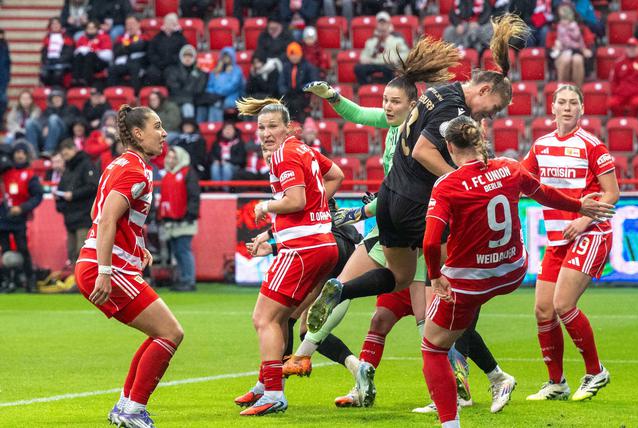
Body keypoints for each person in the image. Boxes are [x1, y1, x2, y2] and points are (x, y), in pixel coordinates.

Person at [301, 38, 518, 413]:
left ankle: (344, 289)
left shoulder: (438, 93)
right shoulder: (453, 108)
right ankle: (478, 383)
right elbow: (423, 151)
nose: (490, 116)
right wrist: (461, 182)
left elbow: (405, 139)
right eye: (494, 108)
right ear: (484, 90)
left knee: (400, 279)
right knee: (449, 300)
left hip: (390, 200)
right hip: (420, 207)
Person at [422, 115, 616, 428]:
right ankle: (501, 376)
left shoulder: (447, 185)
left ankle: (450, 423)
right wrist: (580, 206)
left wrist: (434, 276)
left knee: (432, 347)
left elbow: (431, 242)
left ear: (450, 147)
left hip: (471, 280)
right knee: (467, 321)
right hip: (512, 270)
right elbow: (543, 192)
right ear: (480, 140)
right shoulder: (510, 167)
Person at [231, 97, 344, 416]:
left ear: (288, 128)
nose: (266, 133)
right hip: (322, 244)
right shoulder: (304, 149)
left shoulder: (284, 154)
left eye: (272, 127)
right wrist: (317, 207)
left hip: (302, 249)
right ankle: (265, 384)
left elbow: (295, 201)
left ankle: (273, 393)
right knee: (280, 318)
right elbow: (336, 175)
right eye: (261, 128)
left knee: (263, 318)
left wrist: (264, 206)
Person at [75, 104, 183, 428]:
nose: (164, 133)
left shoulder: (120, 164)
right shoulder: (135, 170)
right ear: (138, 133)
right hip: (107, 266)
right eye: (157, 126)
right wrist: (105, 271)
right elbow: (107, 219)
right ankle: (133, 410)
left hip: (105, 262)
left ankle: (125, 406)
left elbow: (108, 216)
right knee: (170, 333)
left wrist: (138, 246)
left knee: (159, 333)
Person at [521, 84, 619, 403]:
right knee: (543, 310)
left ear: (581, 109)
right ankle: (556, 383)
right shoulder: (541, 146)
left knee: (563, 304)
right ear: (552, 108)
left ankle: (595, 371)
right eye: (561, 102)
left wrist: (583, 220)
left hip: (591, 232)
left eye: (572, 103)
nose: (566, 107)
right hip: (558, 237)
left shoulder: (592, 146)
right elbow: (520, 180)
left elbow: (612, 193)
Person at [0, 142, 44, 292]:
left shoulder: (30, 175)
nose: (19, 155)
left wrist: (22, 208)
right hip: (3, 217)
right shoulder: (5, 171)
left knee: (23, 249)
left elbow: (38, 196)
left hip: (19, 219)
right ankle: (9, 281)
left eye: (22, 152)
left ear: (26, 155)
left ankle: (29, 280)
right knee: (5, 250)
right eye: (17, 152)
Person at [158, 146, 200, 292]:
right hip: (172, 220)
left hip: (185, 220)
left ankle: (188, 280)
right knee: (177, 251)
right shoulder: (168, 175)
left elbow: (194, 195)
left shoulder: (188, 173)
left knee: (183, 250)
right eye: (169, 157)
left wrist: (190, 214)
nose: (171, 160)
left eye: (174, 158)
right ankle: (183, 279)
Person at [55, 139, 99, 266]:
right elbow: (62, 188)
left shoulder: (86, 165)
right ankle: (76, 277)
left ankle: (85, 277)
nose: (65, 157)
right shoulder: (68, 169)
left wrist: (73, 195)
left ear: (74, 149)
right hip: (70, 218)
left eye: (66, 153)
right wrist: (59, 202)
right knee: (72, 251)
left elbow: (92, 186)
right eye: (63, 155)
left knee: (83, 250)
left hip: (83, 216)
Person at [354, 11, 410, 85]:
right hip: (374, 63)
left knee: (390, 68)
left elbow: (406, 54)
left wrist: (396, 58)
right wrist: (364, 59)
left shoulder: (397, 40)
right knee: (358, 68)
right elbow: (363, 55)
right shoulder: (371, 41)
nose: (382, 25)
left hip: (388, 64)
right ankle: (367, 87)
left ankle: (388, 87)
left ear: (389, 25)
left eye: (384, 23)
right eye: (380, 23)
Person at [549, 3, 595, 88]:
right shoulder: (554, 29)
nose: (564, 19)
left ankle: (577, 91)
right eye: (562, 16)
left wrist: (586, 50)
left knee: (577, 60)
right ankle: (562, 90)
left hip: (578, 53)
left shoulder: (581, 28)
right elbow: (549, 49)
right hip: (560, 54)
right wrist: (554, 48)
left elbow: (590, 45)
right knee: (566, 59)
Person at [28, 89, 81, 155]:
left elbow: (70, 121)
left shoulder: (71, 108)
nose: (56, 99)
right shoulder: (48, 110)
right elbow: (41, 120)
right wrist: (46, 126)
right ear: (51, 100)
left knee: (53, 118)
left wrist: (51, 125)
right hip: (47, 134)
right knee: (30, 122)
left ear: (63, 99)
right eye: (54, 98)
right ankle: (33, 153)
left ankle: (49, 151)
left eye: (59, 97)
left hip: (64, 134)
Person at [166, 45, 209, 120]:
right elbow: (174, 89)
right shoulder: (173, 70)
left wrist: (192, 77)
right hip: (177, 100)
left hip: (194, 101)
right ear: (181, 56)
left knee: (189, 107)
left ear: (194, 57)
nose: (187, 58)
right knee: (186, 107)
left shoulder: (200, 73)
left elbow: (199, 90)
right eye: (185, 55)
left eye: (190, 56)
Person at [144, 13, 188, 86]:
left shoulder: (181, 38)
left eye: (173, 22)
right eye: (169, 22)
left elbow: (183, 52)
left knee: (171, 74)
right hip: (158, 64)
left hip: (173, 65)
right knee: (151, 72)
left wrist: (171, 60)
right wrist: (158, 62)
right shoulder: (157, 37)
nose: (171, 24)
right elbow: (151, 52)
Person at [278, 42, 318, 122]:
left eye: (296, 54)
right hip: (289, 95)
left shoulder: (308, 67)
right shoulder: (286, 67)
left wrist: (301, 88)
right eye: (292, 55)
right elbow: (281, 83)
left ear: (301, 54)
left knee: (296, 105)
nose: (294, 57)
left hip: (304, 95)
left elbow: (313, 82)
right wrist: (286, 91)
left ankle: (300, 124)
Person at [206, 47, 246, 123]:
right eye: (224, 56)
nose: (226, 58)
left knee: (224, 103)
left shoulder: (236, 70)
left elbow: (233, 85)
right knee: (214, 104)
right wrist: (213, 94)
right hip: (217, 97)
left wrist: (219, 92)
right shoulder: (216, 70)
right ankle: (215, 126)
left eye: (228, 56)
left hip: (233, 96)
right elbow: (210, 86)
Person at [108, 16, 147, 91]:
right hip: (124, 63)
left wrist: (125, 47)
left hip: (139, 63)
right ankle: (113, 93)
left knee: (135, 68)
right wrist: (130, 47)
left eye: (132, 24)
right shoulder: (121, 37)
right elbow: (116, 51)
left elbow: (140, 47)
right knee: (112, 69)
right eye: (128, 24)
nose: (130, 27)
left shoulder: (144, 36)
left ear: (139, 24)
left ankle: (135, 94)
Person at [72, 20, 113, 87]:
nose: (90, 30)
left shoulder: (104, 37)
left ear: (97, 29)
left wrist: (95, 51)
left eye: (93, 28)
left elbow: (109, 55)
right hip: (84, 62)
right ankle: (76, 79)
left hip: (99, 63)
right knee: (79, 56)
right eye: (88, 28)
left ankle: (86, 80)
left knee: (90, 55)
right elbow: (76, 52)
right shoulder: (82, 38)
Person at [40, 18, 75, 87]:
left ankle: (57, 90)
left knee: (57, 74)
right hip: (49, 62)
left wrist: (59, 60)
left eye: (57, 24)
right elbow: (44, 53)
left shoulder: (67, 37)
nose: (55, 26)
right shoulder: (47, 38)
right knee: (44, 74)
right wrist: (46, 60)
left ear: (61, 25)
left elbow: (69, 53)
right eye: (53, 24)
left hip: (62, 63)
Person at [0, 29, 9, 128]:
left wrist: (7, 77)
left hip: (2, 78)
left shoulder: (4, 46)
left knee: (3, 100)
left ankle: (1, 120)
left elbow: (7, 63)